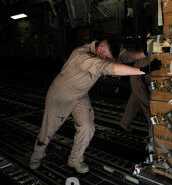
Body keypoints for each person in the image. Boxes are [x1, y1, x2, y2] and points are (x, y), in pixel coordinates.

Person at [29, 38, 161, 173]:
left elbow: (124, 56)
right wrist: (143, 70)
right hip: (61, 96)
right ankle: (37, 156)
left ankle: (75, 159)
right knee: (48, 130)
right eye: (107, 58)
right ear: (99, 50)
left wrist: (145, 52)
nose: (108, 59)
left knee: (87, 128)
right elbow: (108, 68)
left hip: (80, 95)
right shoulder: (82, 56)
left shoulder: (106, 50)